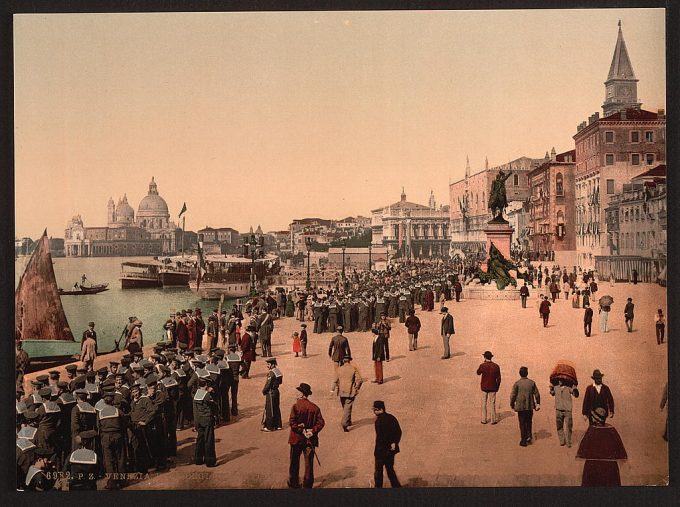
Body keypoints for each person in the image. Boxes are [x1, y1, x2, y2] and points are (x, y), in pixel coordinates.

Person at [576, 407, 627, 486]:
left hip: (592, 467)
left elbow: (583, 449)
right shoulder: (612, 430)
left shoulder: (592, 429)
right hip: (610, 468)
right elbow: (620, 450)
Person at [288, 383, 325, 489]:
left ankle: (294, 483)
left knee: (294, 462)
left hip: (296, 439)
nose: (296, 394)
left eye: (298, 392)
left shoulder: (295, 406)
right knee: (309, 463)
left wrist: (301, 430)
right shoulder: (315, 408)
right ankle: (307, 485)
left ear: (302, 394)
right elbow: (321, 423)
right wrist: (312, 431)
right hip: (310, 440)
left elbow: (292, 423)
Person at [372, 400, 402, 488]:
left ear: (380, 409)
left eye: (375, 409)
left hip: (381, 452)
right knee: (390, 470)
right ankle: (396, 487)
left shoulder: (378, 421)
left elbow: (381, 438)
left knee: (378, 472)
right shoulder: (392, 417)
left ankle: (378, 489)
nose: (374, 411)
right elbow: (398, 431)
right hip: (390, 451)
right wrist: (394, 442)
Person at [510, 366, 540, 447]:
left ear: (520, 374)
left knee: (522, 423)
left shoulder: (517, 383)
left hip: (520, 407)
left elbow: (513, 395)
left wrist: (512, 404)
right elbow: (537, 394)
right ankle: (529, 437)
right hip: (529, 406)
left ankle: (523, 440)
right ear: (527, 373)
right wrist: (538, 403)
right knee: (529, 421)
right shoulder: (532, 383)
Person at [333, 356, 363, 432]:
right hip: (350, 391)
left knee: (345, 407)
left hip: (341, 391)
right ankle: (344, 423)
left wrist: (333, 389)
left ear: (343, 361)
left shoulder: (339, 369)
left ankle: (348, 421)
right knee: (348, 407)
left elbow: (335, 380)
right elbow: (360, 380)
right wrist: (357, 387)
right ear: (349, 361)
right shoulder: (353, 369)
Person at [193, 377, 217, 467]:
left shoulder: (197, 394)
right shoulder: (207, 395)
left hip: (199, 419)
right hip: (207, 419)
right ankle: (210, 461)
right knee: (209, 440)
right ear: (206, 385)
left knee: (200, 439)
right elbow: (214, 405)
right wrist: (212, 393)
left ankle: (198, 459)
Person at [549, 379, 579, 447]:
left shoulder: (568, 387)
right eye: (559, 379)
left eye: (561, 380)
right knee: (559, 426)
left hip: (567, 409)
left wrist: (575, 388)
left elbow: (576, 395)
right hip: (558, 409)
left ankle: (568, 442)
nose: (559, 381)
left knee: (569, 426)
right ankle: (562, 440)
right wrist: (551, 388)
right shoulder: (556, 387)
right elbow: (552, 393)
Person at [477, 351, 501, 424]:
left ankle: (483, 420)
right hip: (493, 387)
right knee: (492, 403)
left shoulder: (482, 365)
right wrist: (497, 387)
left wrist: (483, 364)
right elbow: (499, 379)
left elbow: (478, 372)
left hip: (484, 387)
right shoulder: (496, 366)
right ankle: (493, 420)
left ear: (484, 357)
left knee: (484, 403)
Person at [261, 358, 283, 432]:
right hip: (276, 391)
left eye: (268, 364)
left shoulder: (271, 373)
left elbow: (268, 384)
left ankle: (269, 427)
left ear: (273, 364)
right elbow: (280, 382)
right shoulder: (278, 371)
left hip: (271, 392)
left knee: (270, 409)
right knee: (276, 408)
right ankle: (278, 425)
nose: (267, 366)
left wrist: (264, 391)